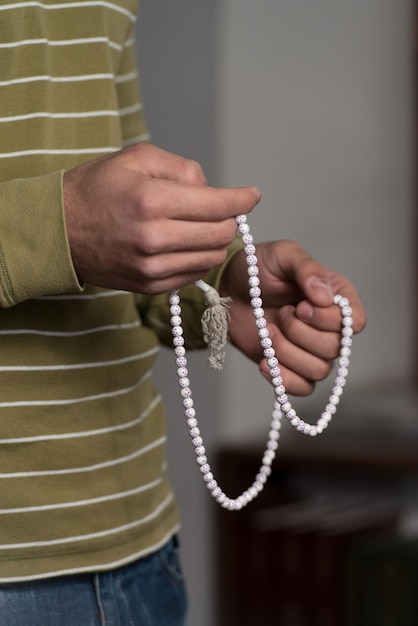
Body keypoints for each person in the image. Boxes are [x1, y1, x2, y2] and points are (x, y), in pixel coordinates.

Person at [0, 1, 366, 624]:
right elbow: (81, 228)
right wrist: (64, 227)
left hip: (141, 548)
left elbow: (115, 241)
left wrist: (225, 284)